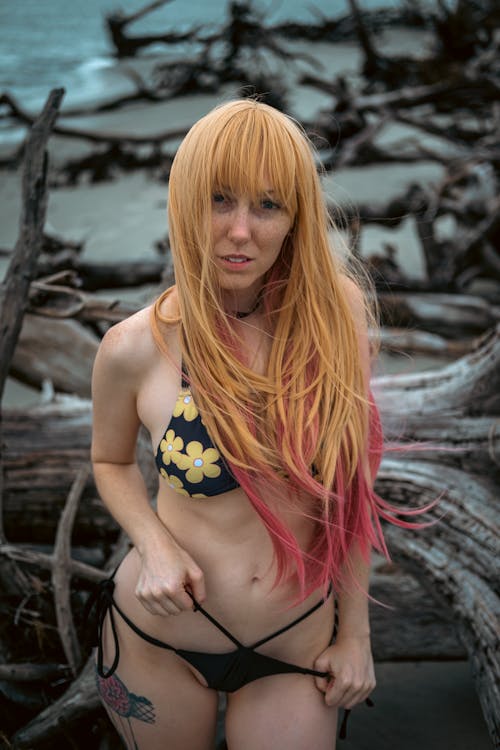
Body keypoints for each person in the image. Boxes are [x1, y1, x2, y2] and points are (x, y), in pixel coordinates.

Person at [90, 98, 404, 750]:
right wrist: (153, 544)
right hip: (159, 644)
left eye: (268, 205)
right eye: (219, 199)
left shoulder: (335, 316)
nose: (240, 231)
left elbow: (352, 487)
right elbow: (111, 461)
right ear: (184, 203)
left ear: (297, 216)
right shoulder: (134, 347)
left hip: (297, 650)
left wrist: (355, 636)